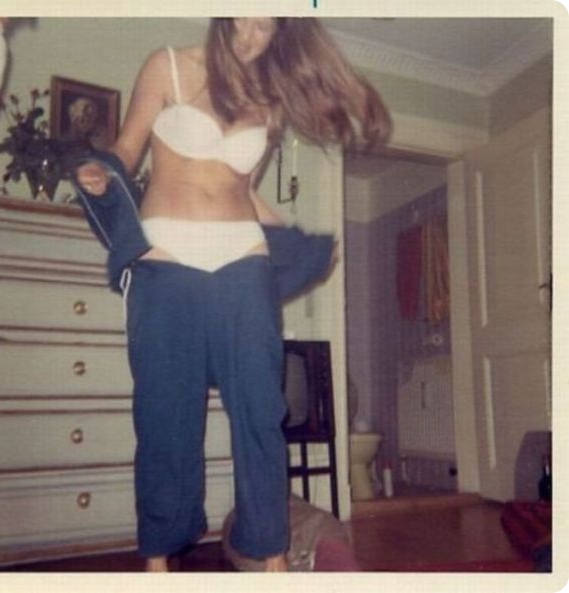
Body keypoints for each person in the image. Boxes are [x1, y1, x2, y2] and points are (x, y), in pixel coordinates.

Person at [76, 17, 391, 572]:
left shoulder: (270, 100)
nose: (248, 34)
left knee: (260, 410)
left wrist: (297, 240)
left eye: (264, 26)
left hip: (243, 259)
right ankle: (158, 560)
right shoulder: (168, 65)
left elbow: (242, 188)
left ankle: (271, 555)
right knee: (163, 414)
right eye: (242, 17)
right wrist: (100, 174)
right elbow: (125, 150)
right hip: (166, 258)